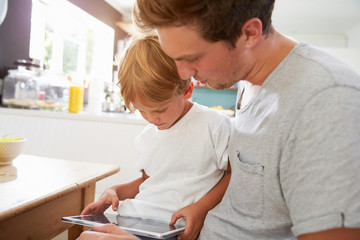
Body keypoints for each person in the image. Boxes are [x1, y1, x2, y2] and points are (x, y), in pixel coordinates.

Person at [81, 0, 360, 239]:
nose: (181, 74)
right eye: (174, 58)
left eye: (192, 57)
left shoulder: (325, 100)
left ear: (249, 34)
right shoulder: (249, 80)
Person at [80, 35, 232, 240]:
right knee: (88, 237)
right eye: (142, 110)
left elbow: (234, 175)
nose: (152, 118)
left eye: (160, 109)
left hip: (171, 226)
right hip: (134, 218)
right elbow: (148, 181)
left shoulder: (213, 125)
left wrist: (201, 208)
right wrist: (114, 190)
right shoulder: (146, 137)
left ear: (187, 90)